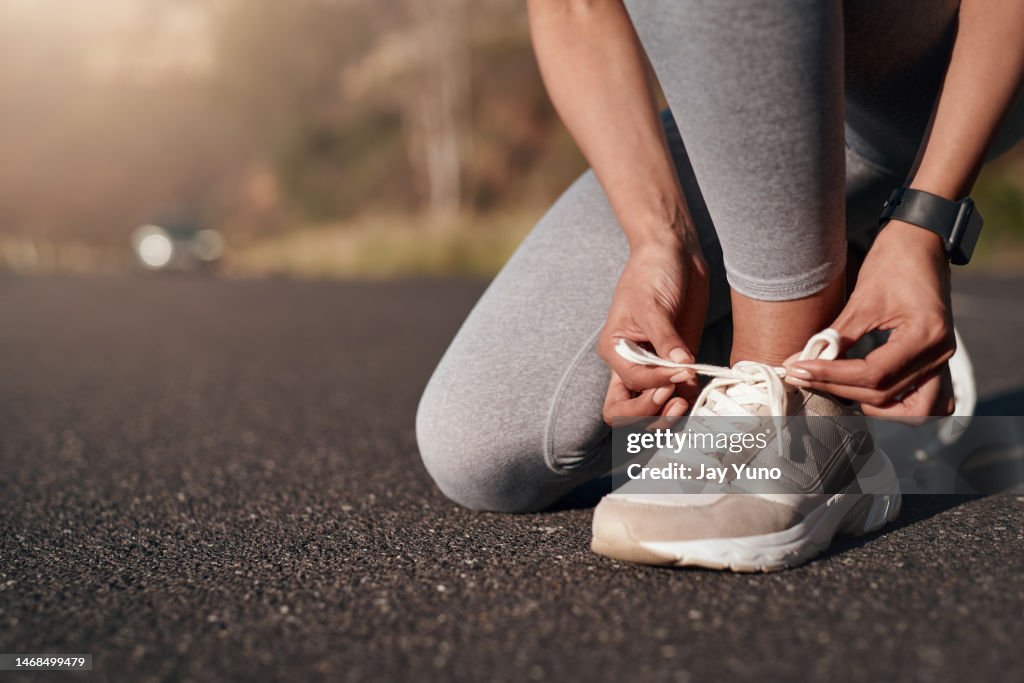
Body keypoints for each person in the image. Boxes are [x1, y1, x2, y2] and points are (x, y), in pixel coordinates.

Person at [415, 0, 1024, 569]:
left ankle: (806, 419)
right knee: (481, 454)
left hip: (931, 87)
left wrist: (926, 222)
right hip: (744, 115)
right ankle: (834, 291)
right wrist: (660, 240)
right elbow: (573, 7)